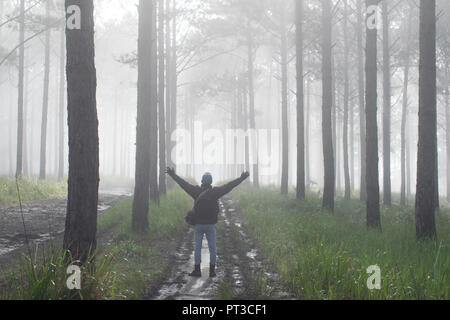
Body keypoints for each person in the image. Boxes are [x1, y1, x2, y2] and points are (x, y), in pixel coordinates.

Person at [166, 167, 250, 278]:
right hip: (210, 225)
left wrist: (173, 175)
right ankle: (212, 271)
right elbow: (230, 186)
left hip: (198, 225)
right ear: (211, 182)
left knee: (197, 248)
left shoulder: (195, 191)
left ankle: (197, 270)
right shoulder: (215, 192)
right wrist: (241, 178)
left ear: (202, 181)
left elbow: (183, 184)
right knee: (213, 248)